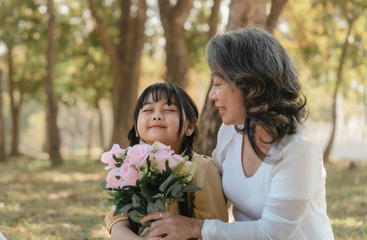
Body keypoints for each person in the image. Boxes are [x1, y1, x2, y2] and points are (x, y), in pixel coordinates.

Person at [141, 28, 334, 239]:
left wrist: (196, 227)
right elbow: (208, 184)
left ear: (250, 85)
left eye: (217, 83)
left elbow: (272, 234)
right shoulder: (230, 132)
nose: (212, 95)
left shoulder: (298, 148)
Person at [104, 83, 228, 239]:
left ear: (189, 127)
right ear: (136, 128)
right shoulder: (130, 168)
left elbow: (214, 229)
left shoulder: (201, 168)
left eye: (169, 110)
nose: (157, 116)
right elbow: (118, 225)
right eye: (148, 110)